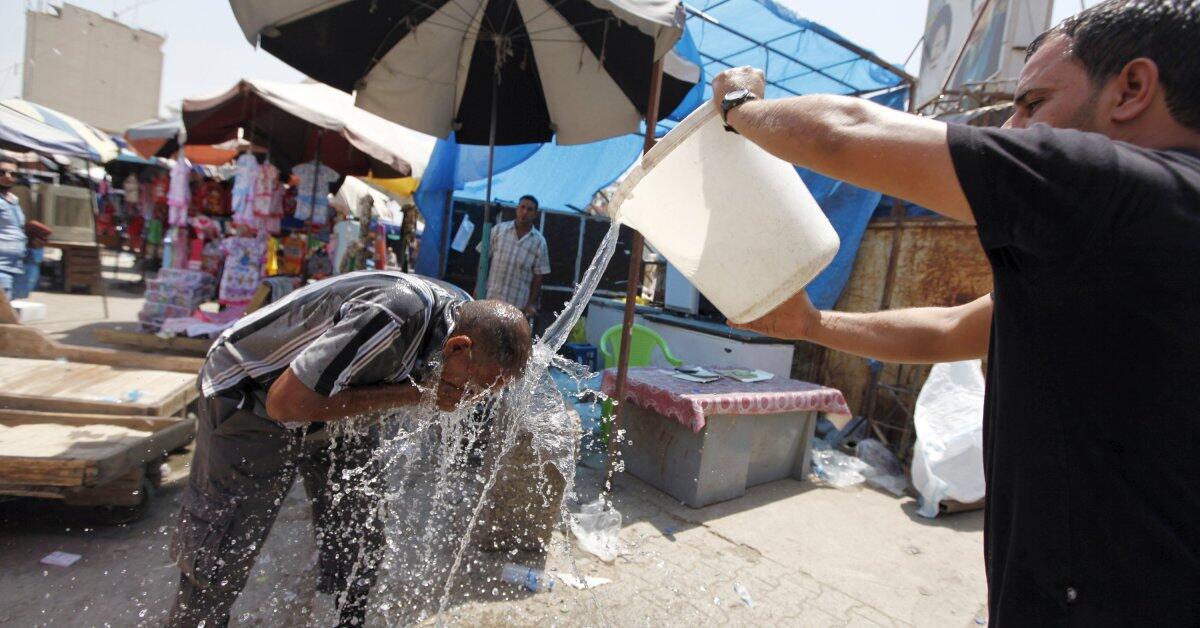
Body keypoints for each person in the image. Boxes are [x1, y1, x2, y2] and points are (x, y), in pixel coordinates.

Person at [712, 0, 1200, 624]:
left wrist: (741, 108)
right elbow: (957, 329)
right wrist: (811, 325)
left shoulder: (1124, 190)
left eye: (1034, 103)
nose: (1016, 129)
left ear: (1131, 88)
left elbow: (844, 132)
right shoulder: (1131, 243)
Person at [168, 270, 532, 627]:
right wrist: (416, 395)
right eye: (473, 388)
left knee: (359, 532)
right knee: (224, 550)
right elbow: (285, 404)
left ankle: (348, 617)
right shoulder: (393, 315)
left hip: (332, 401)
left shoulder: (466, 323)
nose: (469, 400)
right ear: (458, 347)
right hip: (251, 395)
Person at [478, 194, 550, 319]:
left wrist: (530, 304)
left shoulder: (539, 242)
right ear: (517, 209)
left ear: (535, 214)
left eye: (529, 209)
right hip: (491, 298)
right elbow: (483, 260)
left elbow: (539, 277)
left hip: (517, 306)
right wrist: (478, 287)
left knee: (508, 338)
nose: (525, 212)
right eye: (522, 207)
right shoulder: (498, 230)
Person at [0, 156, 27, 299]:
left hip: (15, 266)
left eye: (12, 173)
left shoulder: (14, 200)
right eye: (2, 172)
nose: (7, 176)